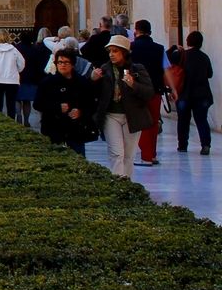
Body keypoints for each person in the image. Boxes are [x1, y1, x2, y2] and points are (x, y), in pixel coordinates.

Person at [92, 34, 154, 179]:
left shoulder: (137, 69)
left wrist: (134, 85)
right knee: (116, 153)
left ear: (124, 52)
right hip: (111, 115)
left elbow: (149, 92)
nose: (111, 54)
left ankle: (126, 185)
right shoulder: (105, 69)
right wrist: (93, 79)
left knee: (129, 154)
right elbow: (95, 94)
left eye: (115, 51)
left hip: (132, 116)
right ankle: (118, 185)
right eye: (110, 51)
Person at [36, 47, 97, 155]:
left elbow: (91, 103)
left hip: (76, 130)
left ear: (72, 64)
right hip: (53, 129)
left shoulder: (82, 82)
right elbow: (38, 104)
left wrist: (80, 112)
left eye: (66, 62)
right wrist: (57, 107)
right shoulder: (47, 83)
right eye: (60, 62)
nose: (62, 65)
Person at [129, 20, 167, 167]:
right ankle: (151, 155)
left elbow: (127, 69)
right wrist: (173, 90)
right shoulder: (159, 48)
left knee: (141, 122)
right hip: (156, 90)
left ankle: (145, 156)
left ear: (136, 31)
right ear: (150, 32)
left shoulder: (131, 47)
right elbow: (166, 70)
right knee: (153, 123)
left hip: (137, 91)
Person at [176, 31, 212, 155]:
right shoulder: (204, 57)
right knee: (202, 120)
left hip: (184, 94)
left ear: (187, 41)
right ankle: (205, 144)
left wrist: (175, 49)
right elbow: (210, 74)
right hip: (202, 94)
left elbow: (167, 60)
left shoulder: (182, 55)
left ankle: (182, 145)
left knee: (183, 121)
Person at [0, 28, 25, 122]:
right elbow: (22, 63)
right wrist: (16, 71)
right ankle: (11, 122)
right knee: (11, 104)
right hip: (12, 80)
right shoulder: (14, 50)